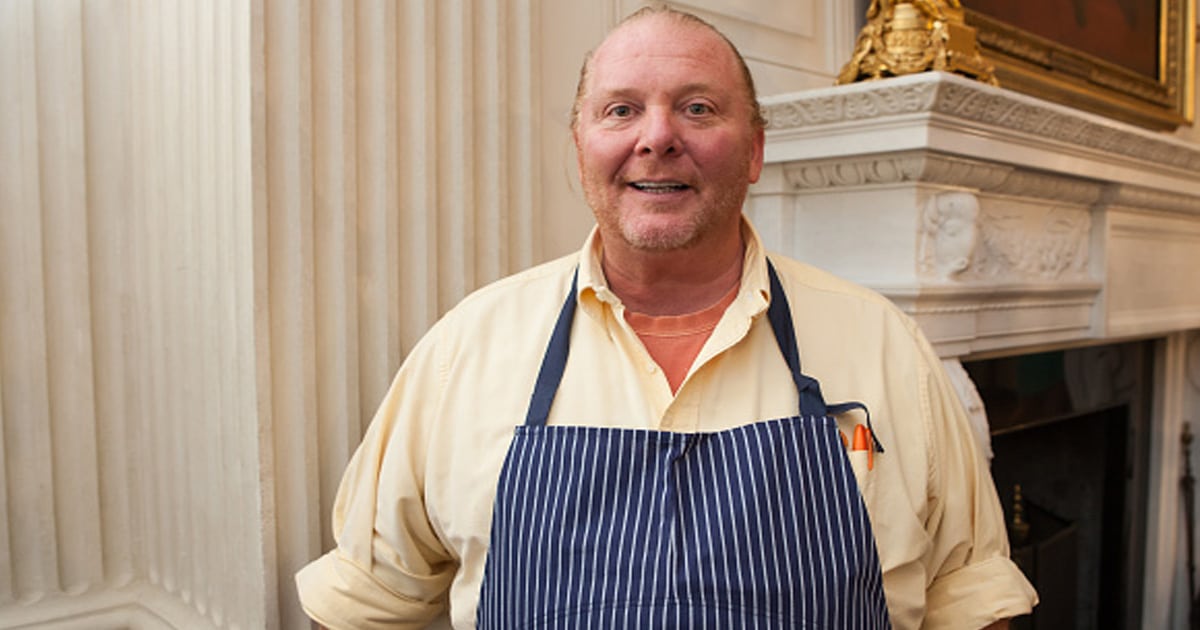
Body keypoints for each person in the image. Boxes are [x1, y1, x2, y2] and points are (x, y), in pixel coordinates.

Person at [295, 6, 1037, 629]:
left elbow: (971, 599)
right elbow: (367, 600)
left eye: (698, 107)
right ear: (582, 146)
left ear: (753, 151)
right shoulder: (468, 348)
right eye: (621, 109)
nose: (657, 137)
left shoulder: (885, 346)